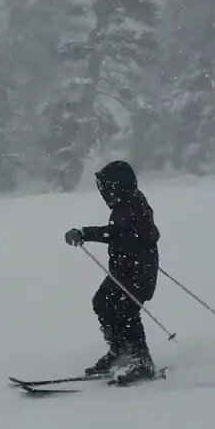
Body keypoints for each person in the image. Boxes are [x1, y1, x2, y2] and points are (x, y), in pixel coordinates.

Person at [64, 160, 160, 383]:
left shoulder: (134, 205)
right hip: (124, 270)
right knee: (102, 302)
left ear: (119, 187)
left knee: (126, 310)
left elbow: (122, 234)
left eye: (108, 188)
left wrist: (85, 233)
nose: (105, 193)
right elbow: (120, 233)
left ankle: (141, 360)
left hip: (139, 272)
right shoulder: (124, 205)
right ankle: (119, 350)